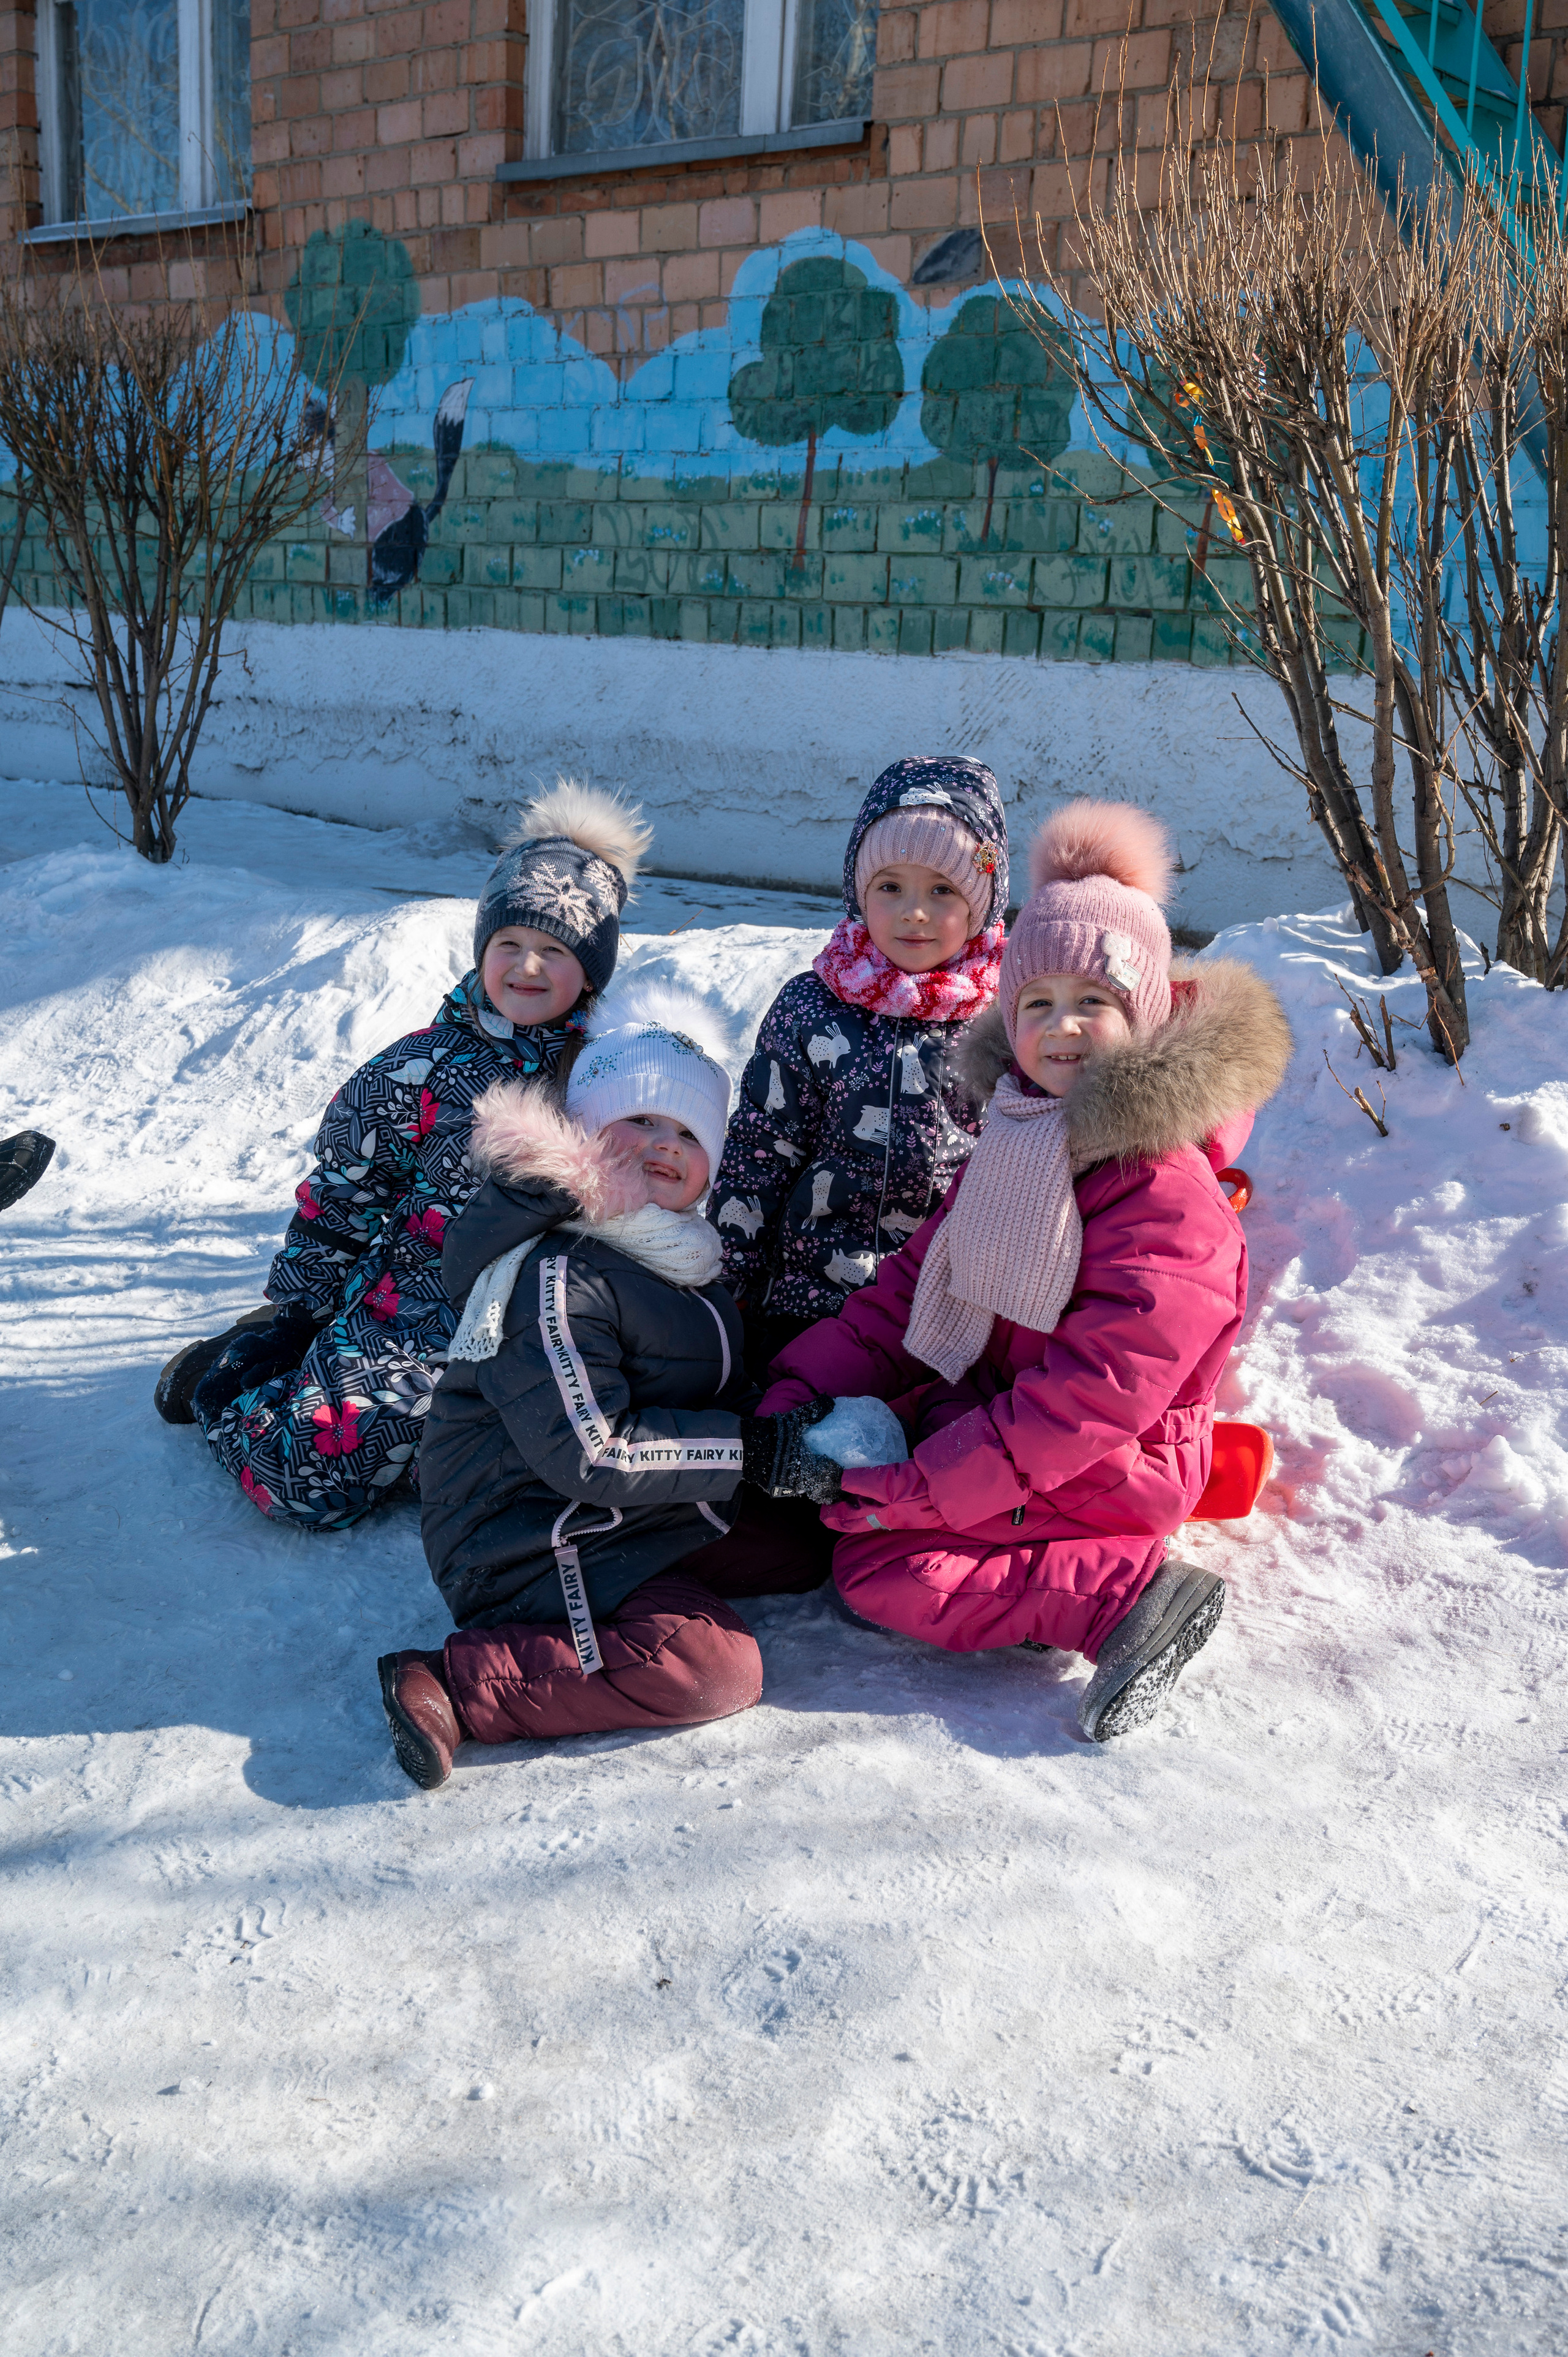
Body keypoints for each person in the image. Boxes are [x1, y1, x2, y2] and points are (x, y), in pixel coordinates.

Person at [750, 799, 1293, 1742]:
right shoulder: (1023, 1139)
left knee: (884, 1564)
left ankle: (1128, 1594)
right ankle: (1053, 1551)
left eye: (1096, 1000)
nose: (1064, 1027)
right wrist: (793, 1396)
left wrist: (914, 1487)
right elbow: (905, 1297)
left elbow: (1088, 1400)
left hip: (1110, 1457)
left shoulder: (1170, 1200)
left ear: (1150, 1010)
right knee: (838, 1505)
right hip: (1012, 1414)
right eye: (1037, 1002)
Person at [379, 988, 842, 1791]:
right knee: (709, 1666)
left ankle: (655, 1578)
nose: (664, 1145)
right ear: (587, 1127)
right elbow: (593, 1447)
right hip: (524, 1533)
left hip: (614, 1510)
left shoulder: (669, 1253)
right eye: (641, 1120)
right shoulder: (559, 1271)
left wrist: (783, 1434)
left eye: (687, 1132)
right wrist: (751, 1449)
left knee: (801, 1547)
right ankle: (456, 1682)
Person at [154, 783, 651, 1530]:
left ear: (592, 969)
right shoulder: (420, 1070)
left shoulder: (610, 1075)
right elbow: (342, 1197)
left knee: (542, 1476)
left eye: (555, 950)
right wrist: (301, 1309)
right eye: (508, 944)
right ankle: (246, 1372)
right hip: (412, 1311)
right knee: (312, 1482)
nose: (527, 966)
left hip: (544, 1321)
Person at [707, 756, 1009, 1379]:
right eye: (890, 886)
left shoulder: (1004, 1017)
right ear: (858, 891)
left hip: (942, 1306)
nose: (914, 911)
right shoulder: (813, 1005)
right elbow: (762, 1146)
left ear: (981, 903)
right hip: (809, 1296)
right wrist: (727, 1280)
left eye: (942, 890)